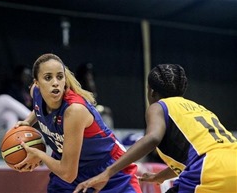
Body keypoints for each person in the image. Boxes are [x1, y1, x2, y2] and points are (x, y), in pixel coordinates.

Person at [74, 64, 237, 193]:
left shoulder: (159, 106)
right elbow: (193, 159)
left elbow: (152, 139)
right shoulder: (199, 108)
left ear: (151, 91)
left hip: (209, 170)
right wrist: (159, 177)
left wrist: (108, 172)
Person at [13, 53, 141, 193]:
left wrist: (39, 155)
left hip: (109, 172)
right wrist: (28, 121)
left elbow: (68, 173)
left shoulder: (74, 111)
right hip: (69, 166)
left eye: (60, 77)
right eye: (48, 77)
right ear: (36, 82)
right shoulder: (36, 92)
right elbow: (38, 107)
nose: (55, 82)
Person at [76, 62, 114, 129]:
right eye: (87, 74)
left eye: (90, 73)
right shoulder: (78, 88)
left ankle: (108, 137)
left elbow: (94, 104)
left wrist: (99, 109)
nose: (89, 76)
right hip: (82, 113)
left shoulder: (91, 87)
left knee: (106, 112)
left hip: (92, 111)